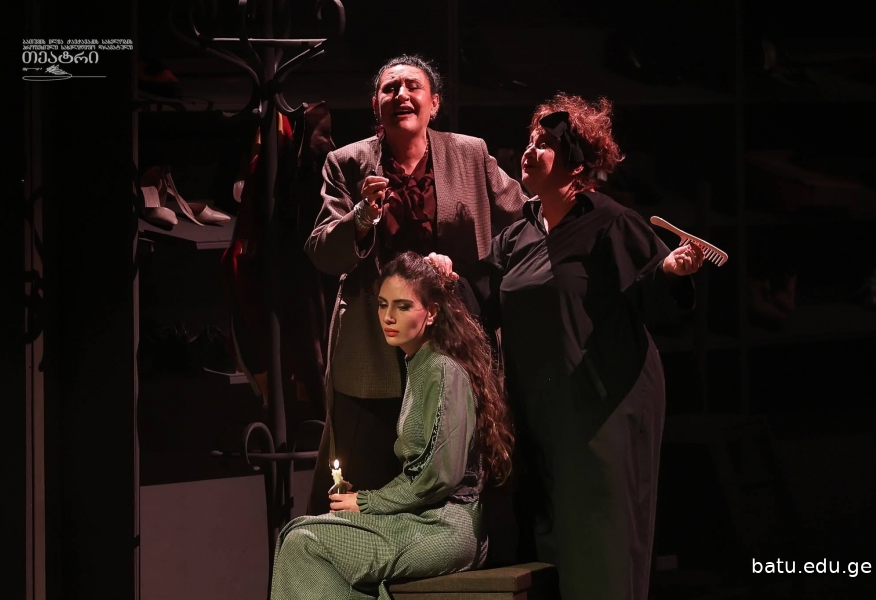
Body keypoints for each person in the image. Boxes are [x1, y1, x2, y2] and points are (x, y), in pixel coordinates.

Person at [475, 93, 705, 600]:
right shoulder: (517, 237)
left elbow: (652, 293)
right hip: (540, 409)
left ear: (576, 163)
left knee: (600, 540)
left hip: (604, 407)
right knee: (547, 539)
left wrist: (670, 270)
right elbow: (482, 298)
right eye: (529, 140)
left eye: (544, 143)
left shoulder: (610, 222)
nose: (529, 151)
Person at [304, 54, 526, 515]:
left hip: (451, 339)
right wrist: (361, 216)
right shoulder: (347, 163)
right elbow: (323, 251)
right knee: (370, 471)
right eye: (390, 89)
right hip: (374, 343)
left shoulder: (469, 154)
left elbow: (523, 214)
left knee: (449, 472)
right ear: (375, 105)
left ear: (434, 103)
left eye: (412, 86)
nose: (401, 95)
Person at [270, 251, 514, 600]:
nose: (388, 316)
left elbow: (438, 476)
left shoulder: (442, 369)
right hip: (421, 516)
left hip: (448, 526)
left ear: (431, 312)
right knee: (298, 533)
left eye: (402, 306)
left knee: (303, 542)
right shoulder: (419, 364)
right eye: (383, 304)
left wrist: (367, 502)